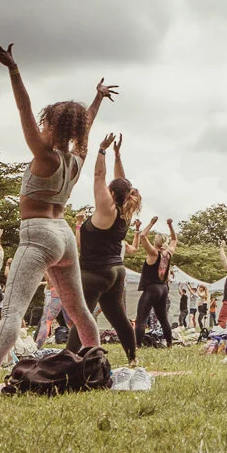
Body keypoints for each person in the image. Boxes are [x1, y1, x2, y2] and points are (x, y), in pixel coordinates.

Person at [0, 47, 116, 393]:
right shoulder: (77, 158)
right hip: (63, 235)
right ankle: (97, 367)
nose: (40, 126)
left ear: (50, 126)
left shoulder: (44, 156)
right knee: (79, 311)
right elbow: (85, 128)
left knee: (12, 308)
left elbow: (23, 110)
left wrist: (14, 71)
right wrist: (97, 99)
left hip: (38, 234)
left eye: (45, 123)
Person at [78, 134, 142, 364]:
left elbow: (98, 175)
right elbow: (122, 182)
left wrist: (101, 151)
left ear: (111, 194)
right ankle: (132, 359)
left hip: (94, 273)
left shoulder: (106, 209)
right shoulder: (126, 210)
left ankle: (68, 362)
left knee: (81, 319)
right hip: (116, 272)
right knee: (118, 317)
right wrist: (117, 155)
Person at [134, 219, 178, 349]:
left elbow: (142, 236)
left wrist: (151, 223)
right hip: (164, 288)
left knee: (141, 318)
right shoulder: (168, 253)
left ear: (156, 242)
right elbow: (175, 240)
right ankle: (170, 344)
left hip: (152, 288)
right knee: (163, 318)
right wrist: (170, 225)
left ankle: (137, 346)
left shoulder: (153, 253)